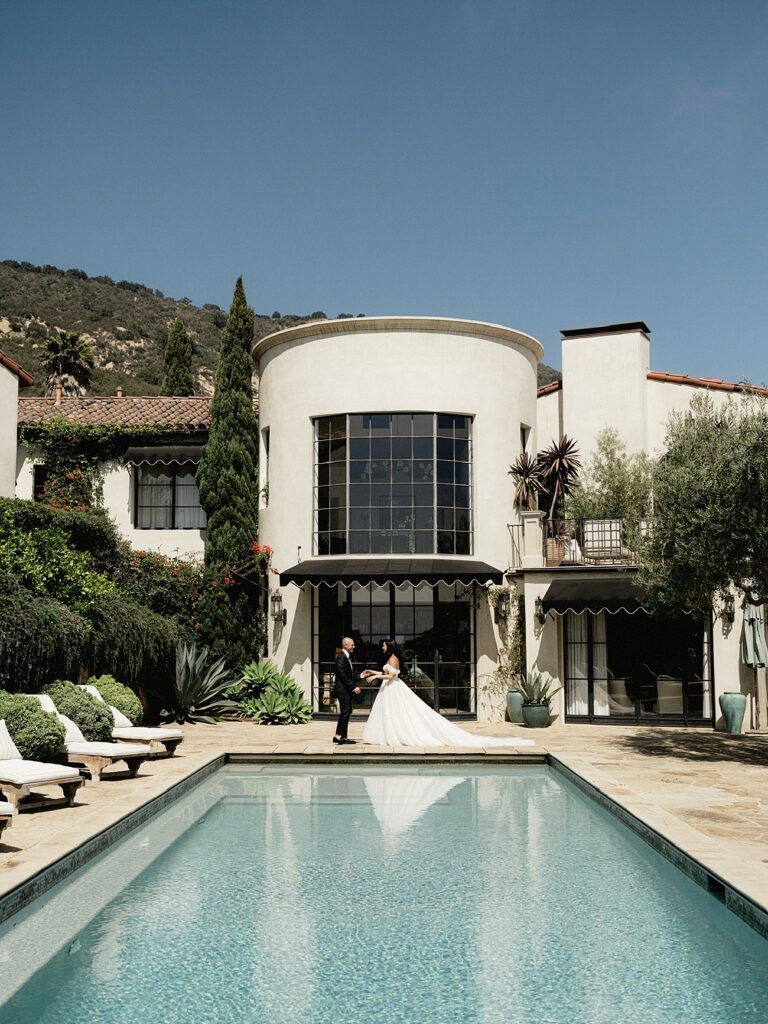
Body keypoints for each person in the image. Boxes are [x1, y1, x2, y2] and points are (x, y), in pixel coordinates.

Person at [362, 639, 535, 748]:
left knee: (400, 713)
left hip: (393, 688)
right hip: (389, 689)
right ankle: (388, 734)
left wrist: (375, 676)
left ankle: (396, 735)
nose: (382, 647)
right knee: (390, 714)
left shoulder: (393, 659)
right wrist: (373, 672)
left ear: (389, 646)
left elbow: (392, 676)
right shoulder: (390, 659)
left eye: (383, 645)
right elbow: (388, 673)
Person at [332, 636, 372, 745]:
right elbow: (343, 676)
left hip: (345, 690)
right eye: (352, 644)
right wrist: (354, 687)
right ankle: (339, 736)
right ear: (346, 645)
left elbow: (348, 675)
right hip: (342, 691)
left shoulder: (346, 657)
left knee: (346, 711)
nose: (354, 646)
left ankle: (341, 736)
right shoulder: (341, 658)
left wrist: (361, 675)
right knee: (346, 711)